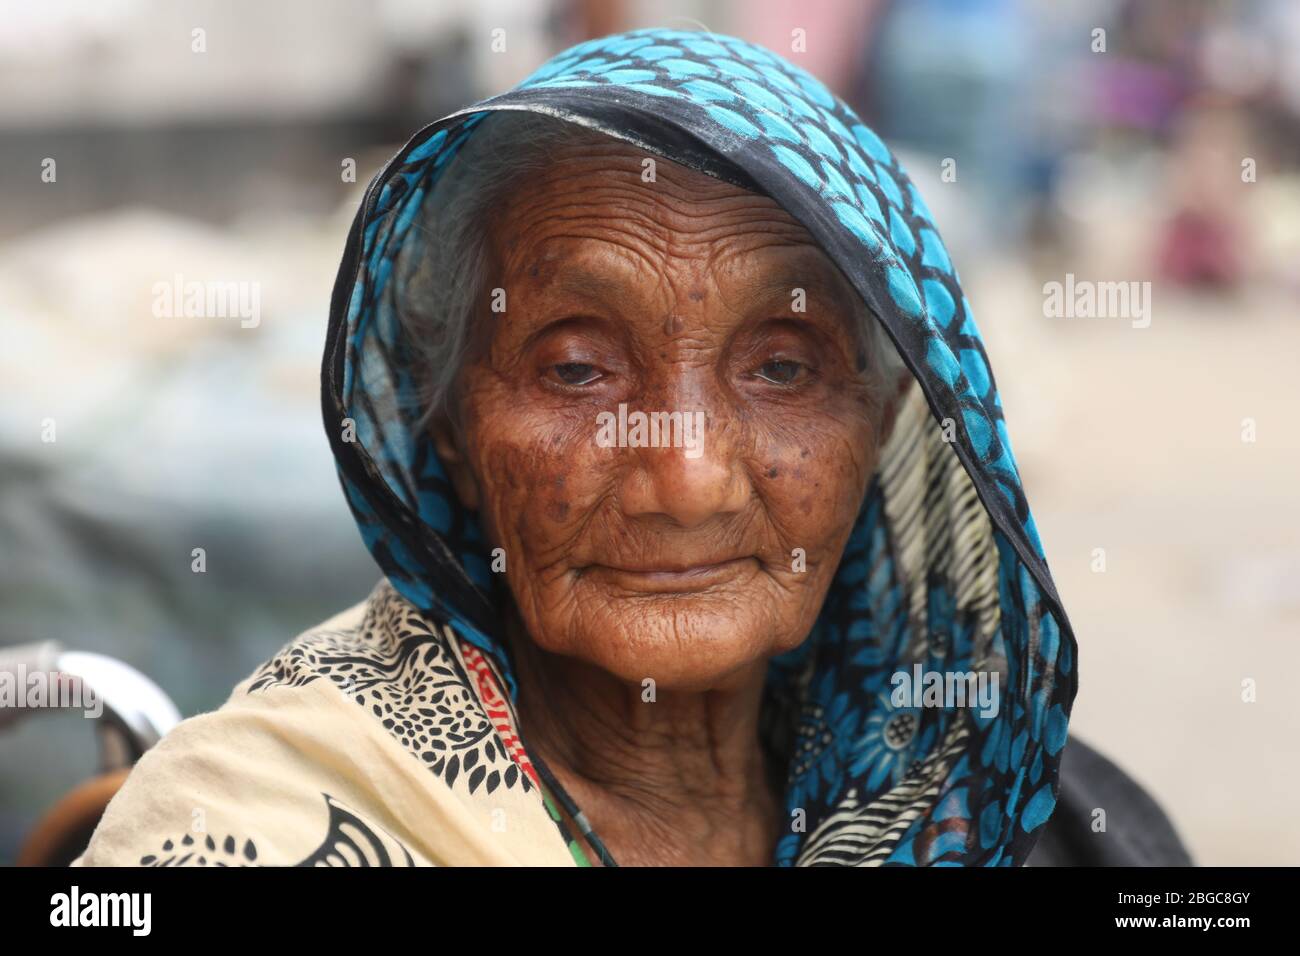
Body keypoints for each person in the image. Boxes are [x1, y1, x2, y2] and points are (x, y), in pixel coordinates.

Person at [74, 27, 1189, 867]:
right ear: (447, 422)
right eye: (574, 367)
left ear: (889, 415)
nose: (687, 478)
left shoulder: (985, 793)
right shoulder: (245, 822)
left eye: (783, 365)